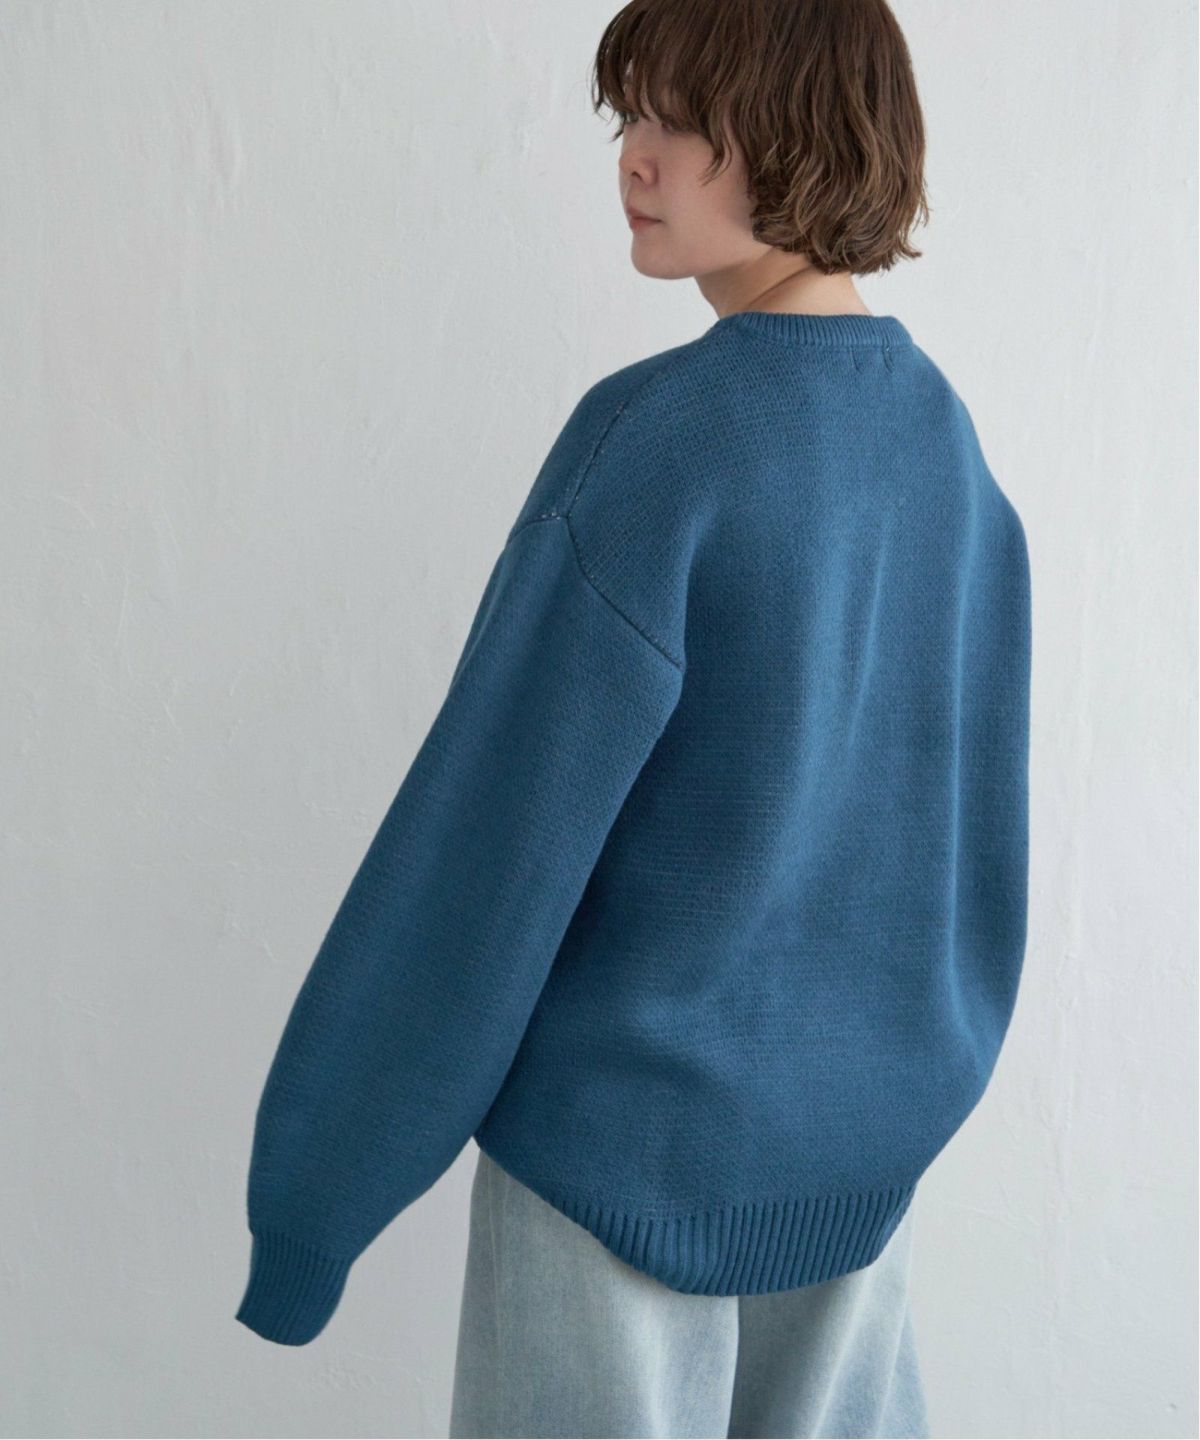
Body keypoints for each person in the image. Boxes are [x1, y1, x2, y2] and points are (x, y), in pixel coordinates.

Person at [235, 2, 1031, 1437]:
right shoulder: (949, 450)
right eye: (630, 119)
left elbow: (479, 856)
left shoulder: (660, 443)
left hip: (618, 1168)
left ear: (800, 135)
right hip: (859, 1177)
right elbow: (968, 851)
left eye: (682, 122)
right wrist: (916, 1082)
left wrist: (315, 1197)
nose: (636, 161)